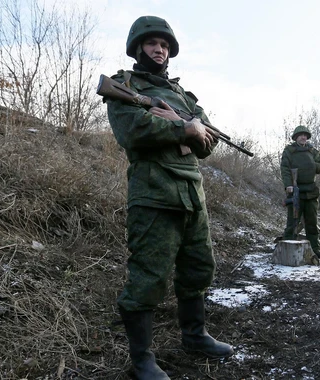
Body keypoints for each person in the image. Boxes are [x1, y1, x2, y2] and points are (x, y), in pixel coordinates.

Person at [104, 15, 233, 380]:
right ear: (137, 48)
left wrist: (188, 125)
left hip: (193, 195)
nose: (158, 49)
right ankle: (142, 360)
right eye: (151, 43)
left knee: (198, 268)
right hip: (154, 195)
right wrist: (183, 127)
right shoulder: (124, 85)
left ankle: (195, 336)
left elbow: (207, 145)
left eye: (163, 45)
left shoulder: (182, 96)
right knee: (148, 277)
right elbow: (132, 131)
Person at [280, 125, 320, 259]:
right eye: (301, 135)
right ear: (295, 137)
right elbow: (285, 168)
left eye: (305, 135)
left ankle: (315, 249)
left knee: (312, 223)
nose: (303, 137)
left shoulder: (312, 151)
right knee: (292, 223)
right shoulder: (289, 150)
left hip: (311, 191)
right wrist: (288, 185)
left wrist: (313, 166)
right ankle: (286, 249)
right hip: (295, 190)